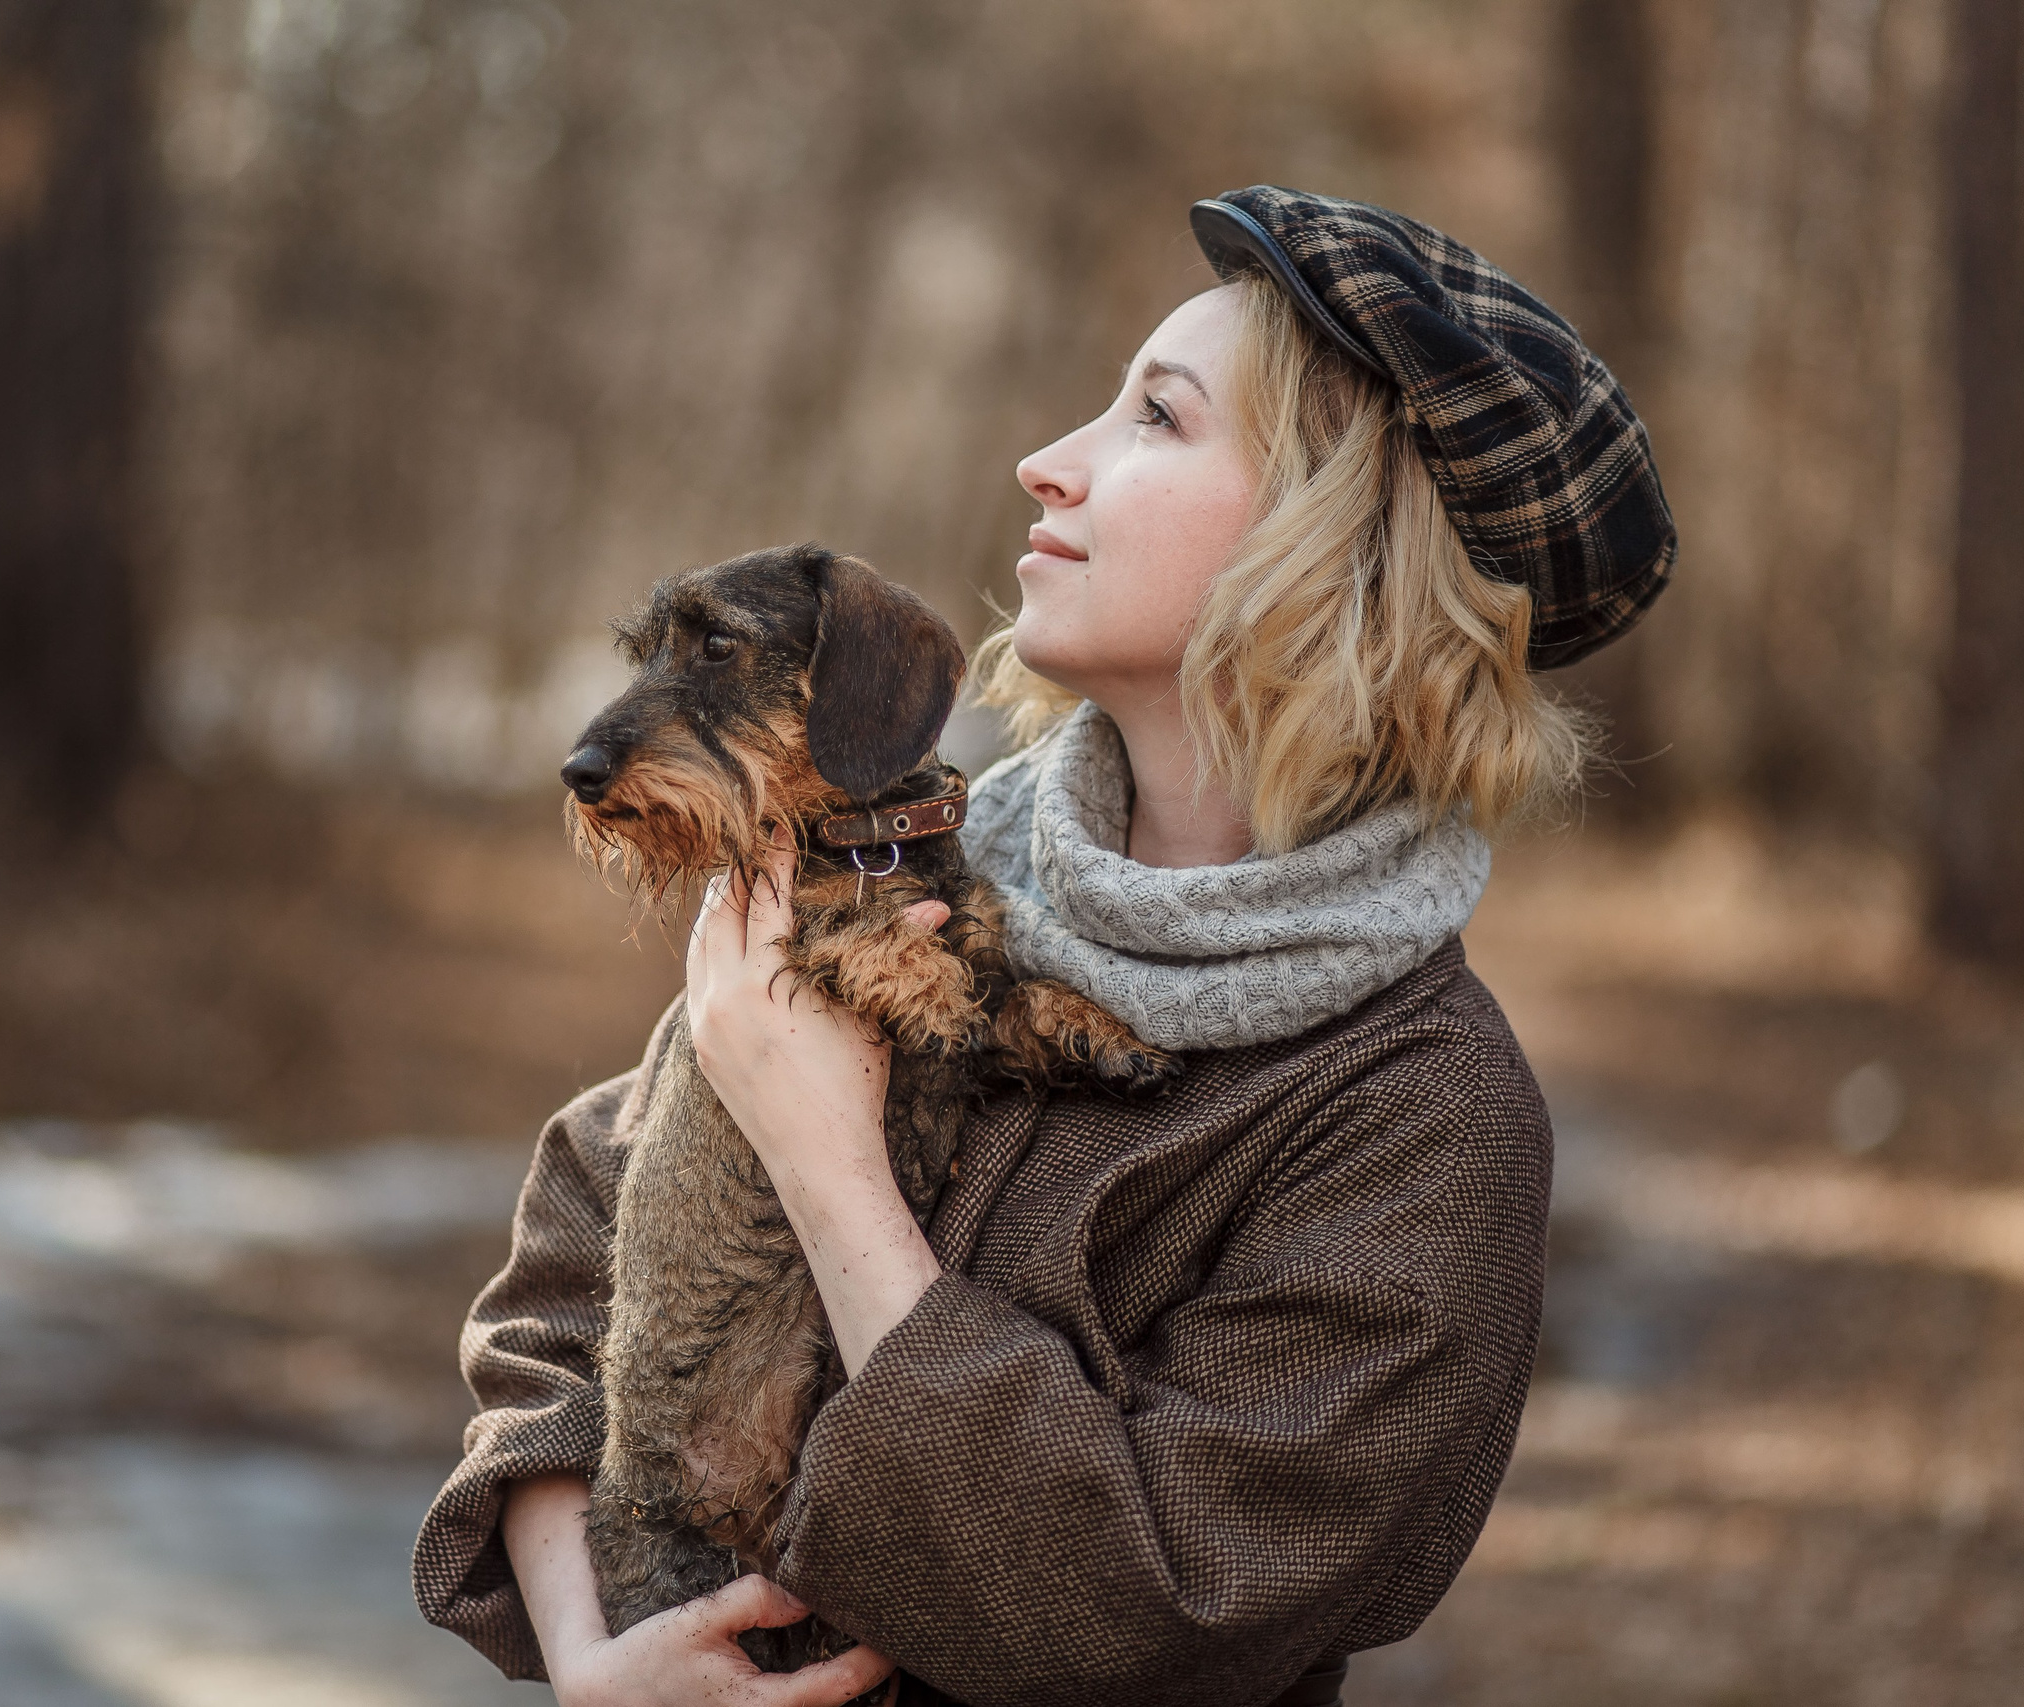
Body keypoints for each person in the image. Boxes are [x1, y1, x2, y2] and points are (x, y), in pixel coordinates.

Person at [412, 186, 1676, 1707]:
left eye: (1156, 415)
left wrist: (831, 1170)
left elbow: (1154, 1607)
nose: (1049, 461)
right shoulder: (892, 876)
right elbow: (563, 1303)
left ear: (1336, 541)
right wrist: (597, 1657)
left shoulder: (1422, 1119)